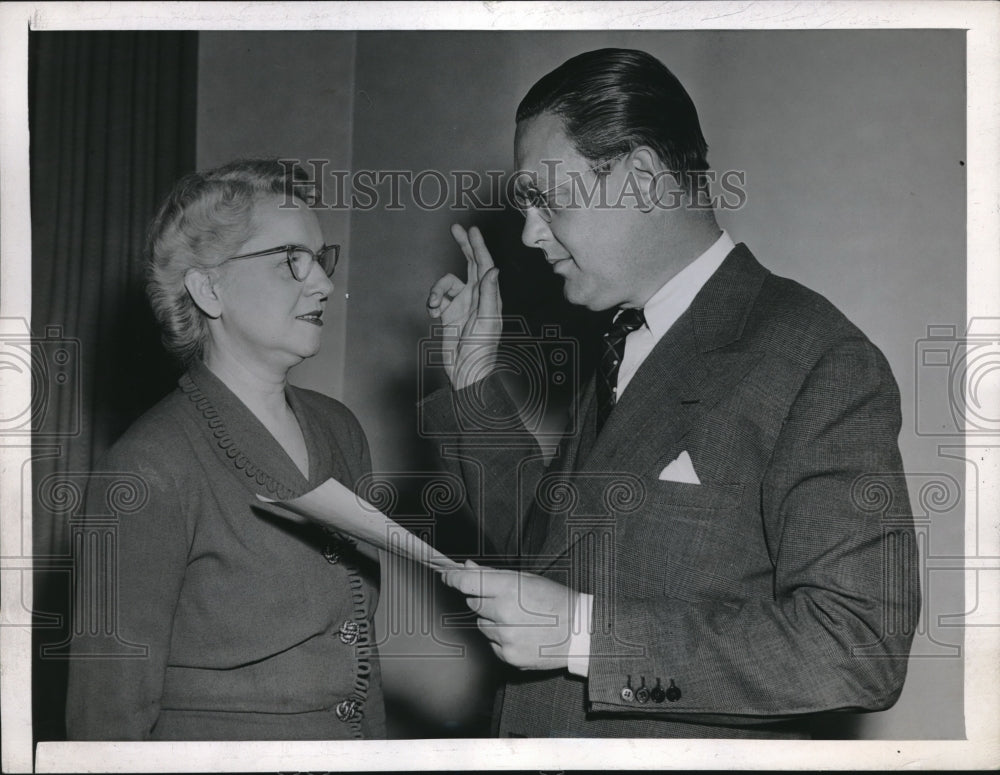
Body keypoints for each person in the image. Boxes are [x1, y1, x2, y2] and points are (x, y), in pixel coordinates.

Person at [422, 48, 919, 738]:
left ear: (643, 180)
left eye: (548, 200)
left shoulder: (817, 359)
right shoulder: (626, 340)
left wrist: (584, 637)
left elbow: (859, 648)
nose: (531, 234)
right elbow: (547, 552)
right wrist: (475, 380)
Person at [65, 159, 385, 740]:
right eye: (291, 260)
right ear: (209, 288)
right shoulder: (147, 467)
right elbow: (105, 719)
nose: (322, 282)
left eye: (321, 259)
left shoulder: (340, 430)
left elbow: (359, 655)